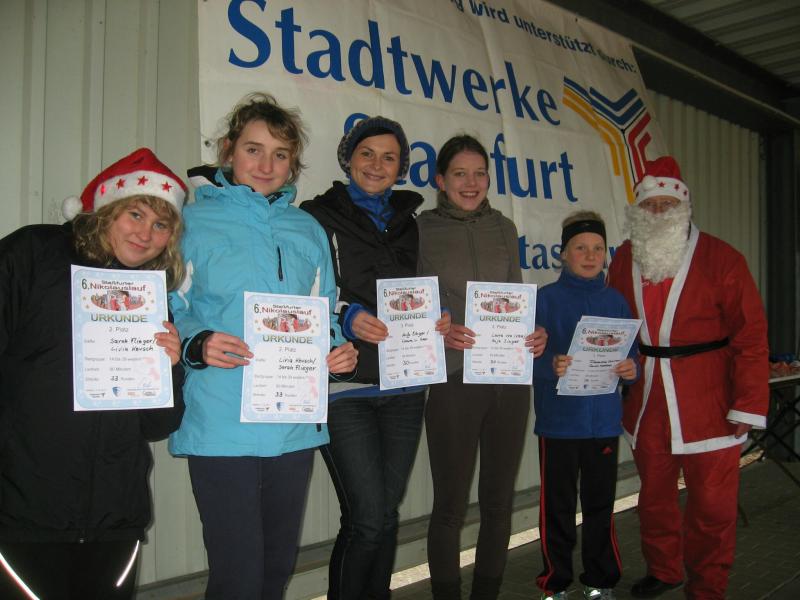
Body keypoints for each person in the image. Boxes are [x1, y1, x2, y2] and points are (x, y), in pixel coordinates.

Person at [168, 93, 357, 600]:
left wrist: (338, 353)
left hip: (293, 423)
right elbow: (167, 306)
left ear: (293, 164)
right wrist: (197, 343)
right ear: (228, 151)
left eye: (280, 154)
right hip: (221, 420)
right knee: (238, 575)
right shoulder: (192, 224)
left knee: (276, 568)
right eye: (253, 150)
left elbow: (324, 309)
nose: (266, 165)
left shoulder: (307, 229)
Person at [0, 148, 187, 600]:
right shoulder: (34, 252)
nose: (145, 234)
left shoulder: (147, 296)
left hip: (114, 520)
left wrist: (170, 368)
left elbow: (157, 425)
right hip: (25, 513)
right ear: (106, 210)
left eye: (161, 225)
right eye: (135, 214)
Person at [300, 116, 449, 600]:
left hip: (406, 385)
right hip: (346, 387)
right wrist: (346, 315)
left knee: (385, 515)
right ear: (348, 159)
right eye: (367, 153)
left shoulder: (411, 222)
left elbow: (423, 288)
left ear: (401, 168)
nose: (377, 165)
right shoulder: (317, 217)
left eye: (389, 157)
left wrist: (437, 317)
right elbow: (302, 291)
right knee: (366, 518)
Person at [607, 157, 769, 600]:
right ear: (638, 210)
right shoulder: (624, 259)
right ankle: (664, 569)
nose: (659, 212)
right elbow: (611, 324)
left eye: (667, 204)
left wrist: (748, 402)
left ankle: (708, 586)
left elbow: (751, 335)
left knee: (713, 506)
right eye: (650, 204)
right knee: (654, 497)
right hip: (647, 399)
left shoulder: (722, 258)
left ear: (684, 207)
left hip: (709, 399)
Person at [416, 134, 547, 600]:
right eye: (459, 174)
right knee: (450, 506)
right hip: (455, 379)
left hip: (509, 379)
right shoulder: (420, 230)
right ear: (440, 180)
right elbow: (408, 306)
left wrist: (534, 332)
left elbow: (515, 295)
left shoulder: (504, 228)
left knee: (498, 503)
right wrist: (438, 330)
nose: (471, 183)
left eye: (479, 174)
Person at [533, 211, 639, 600]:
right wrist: (550, 365)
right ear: (563, 253)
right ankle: (555, 583)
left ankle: (600, 580)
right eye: (580, 248)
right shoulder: (545, 300)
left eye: (598, 248)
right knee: (557, 508)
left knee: (600, 506)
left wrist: (631, 370)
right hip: (559, 425)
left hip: (603, 424)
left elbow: (632, 357)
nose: (590, 255)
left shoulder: (616, 301)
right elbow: (524, 358)